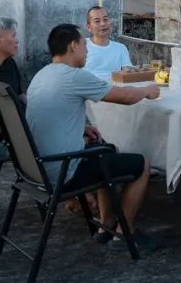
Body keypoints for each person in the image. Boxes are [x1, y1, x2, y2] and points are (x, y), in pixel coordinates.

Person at [26, 23, 161, 248]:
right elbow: (126, 97)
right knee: (142, 164)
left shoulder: (42, 75)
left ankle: (105, 224)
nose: (87, 50)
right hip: (62, 171)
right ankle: (123, 233)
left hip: (36, 168)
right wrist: (147, 90)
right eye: (84, 45)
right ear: (73, 46)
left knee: (106, 151)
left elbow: (50, 114)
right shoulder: (74, 76)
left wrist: (81, 129)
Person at [82, 5, 133, 79]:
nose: (103, 24)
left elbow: (128, 71)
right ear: (88, 27)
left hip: (115, 88)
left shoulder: (120, 48)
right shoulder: (81, 46)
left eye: (105, 19)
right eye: (97, 21)